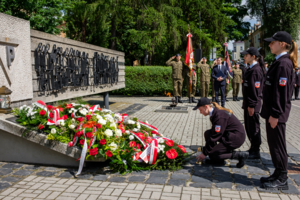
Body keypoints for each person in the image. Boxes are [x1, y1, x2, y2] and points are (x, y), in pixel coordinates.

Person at [260, 31, 298, 190]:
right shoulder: (279, 62)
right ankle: (277, 172)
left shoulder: (283, 63)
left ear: (282, 44)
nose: (269, 45)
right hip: (273, 112)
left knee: (278, 145)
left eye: (272, 42)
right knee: (274, 144)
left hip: (277, 113)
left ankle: (282, 177)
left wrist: (275, 114)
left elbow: (281, 94)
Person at [194, 97, 249, 167]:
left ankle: (240, 155)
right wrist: (207, 150)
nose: (200, 112)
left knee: (213, 154)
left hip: (235, 138)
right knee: (208, 133)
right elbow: (214, 133)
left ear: (206, 107)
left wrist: (205, 153)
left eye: (200, 110)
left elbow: (216, 135)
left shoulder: (219, 116)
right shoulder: (215, 113)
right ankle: (217, 158)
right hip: (229, 135)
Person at [241, 47, 265, 160]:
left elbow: (255, 90)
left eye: (247, 55)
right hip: (248, 103)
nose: (244, 57)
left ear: (253, 56)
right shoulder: (250, 68)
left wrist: (251, 105)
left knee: (254, 127)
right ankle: (252, 148)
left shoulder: (255, 70)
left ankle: (256, 151)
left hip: (252, 104)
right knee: (249, 127)